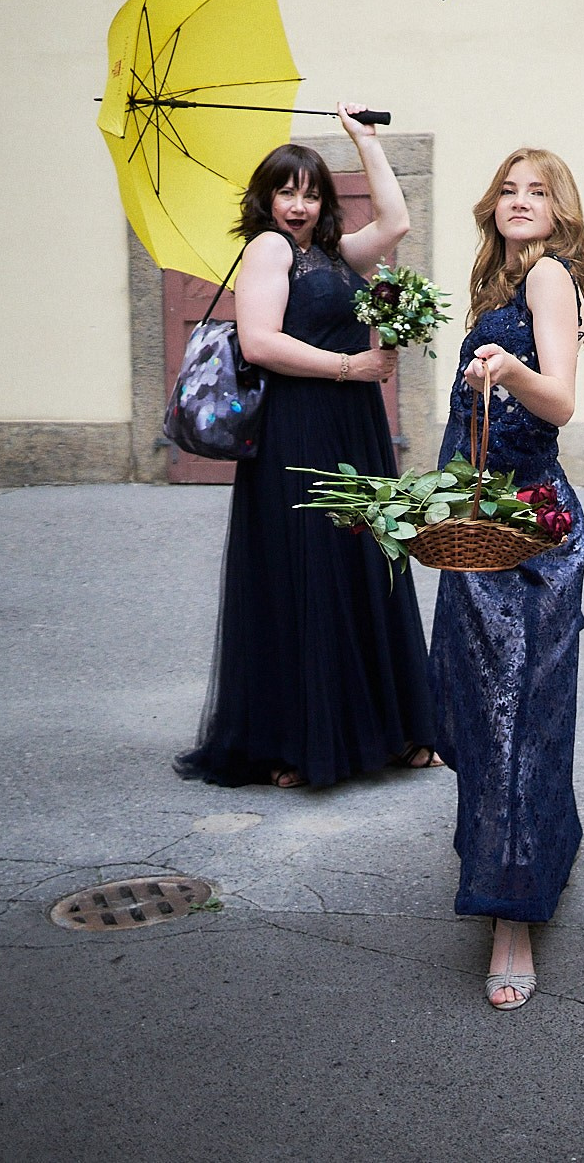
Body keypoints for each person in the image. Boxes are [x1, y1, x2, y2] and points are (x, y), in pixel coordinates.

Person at [176, 107, 439, 790]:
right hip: (303, 427)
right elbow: (260, 341)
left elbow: (396, 224)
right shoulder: (268, 249)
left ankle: (379, 729)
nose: (297, 204)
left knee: (358, 568)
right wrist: (350, 368)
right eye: (286, 190)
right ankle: (300, 739)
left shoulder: (327, 252)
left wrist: (366, 143)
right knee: (311, 574)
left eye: (310, 191)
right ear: (265, 199)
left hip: (350, 426)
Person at [429, 148, 584, 1011]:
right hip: (476, 522)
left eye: (539, 191)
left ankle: (511, 918)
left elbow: (561, 401)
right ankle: (531, 847)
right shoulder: (496, 284)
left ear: (561, 212)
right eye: (508, 189)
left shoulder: (550, 281)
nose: (520, 200)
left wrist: (509, 369)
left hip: (531, 530)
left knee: (514, 715)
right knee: (485, 704)